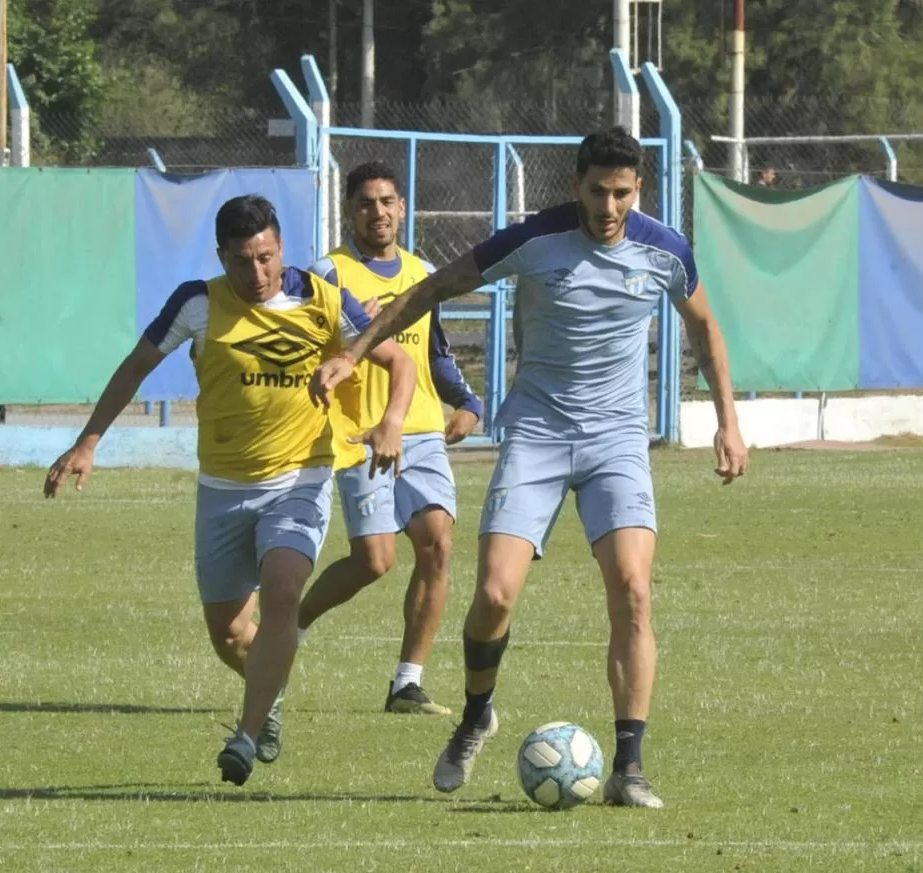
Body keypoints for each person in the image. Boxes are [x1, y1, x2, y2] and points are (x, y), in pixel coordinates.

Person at [310, 127, 749, 809]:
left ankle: (629, 766)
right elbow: (426, 292)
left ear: (640, 190)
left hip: (616, 442)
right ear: (575, 185)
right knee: (494, 595)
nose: (609, 207)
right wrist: (355, 349)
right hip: (538, 434)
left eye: (622, 193)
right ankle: (476, 712)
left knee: (634, 588)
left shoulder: (664, 249)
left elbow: (705, 327)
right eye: (598, 191)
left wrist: (728, 420)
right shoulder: (533, 240)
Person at [43, 195, 416, 787]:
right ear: (222, 257)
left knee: (284, 591)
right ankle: (268, 697)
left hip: (302, 475)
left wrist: (391, 422)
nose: (257, 274)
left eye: (266, 258)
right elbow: (136, 366)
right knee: (229, 635)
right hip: (223, 487)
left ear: (281, 249)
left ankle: (245, 734)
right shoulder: (198, 302)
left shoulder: (322, 298)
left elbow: (398, 361)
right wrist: (88, 442)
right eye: (242, 262)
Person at [298, 161, 482, 715]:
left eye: (387, 202)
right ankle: (289, 626)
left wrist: (467, 402)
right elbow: (310, 353)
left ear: (402, 208)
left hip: (420, 427)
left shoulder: (423, 271)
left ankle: (407, 683)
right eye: (365, 203)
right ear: (349, 211)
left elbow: (434, 349)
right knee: (373, 561)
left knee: (438, 544)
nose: (377, 212)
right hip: (359, 435)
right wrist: (360, 328)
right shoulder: (327, 275)